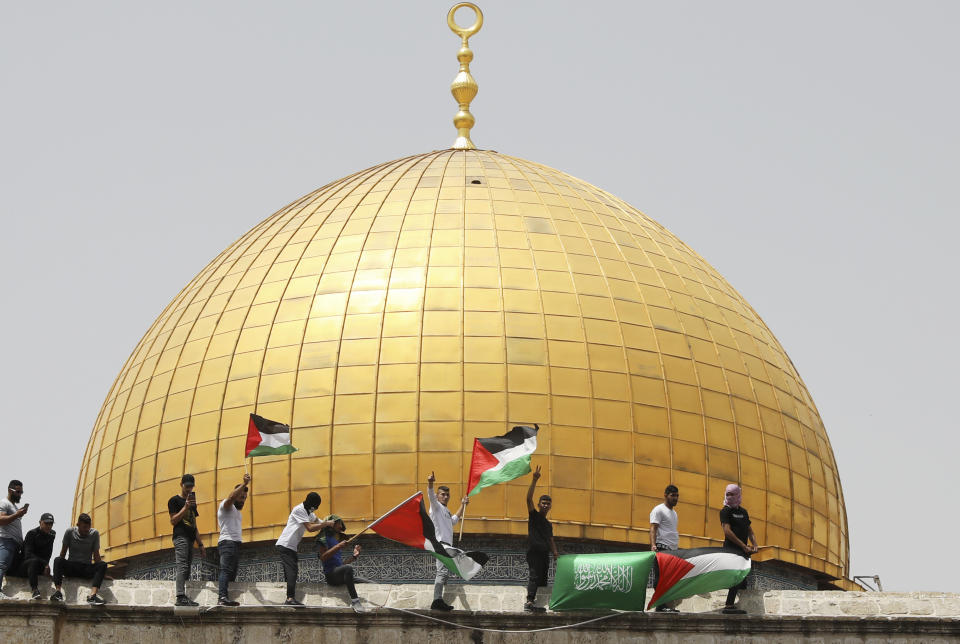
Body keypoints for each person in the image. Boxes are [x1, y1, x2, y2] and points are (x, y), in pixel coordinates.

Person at [275, 492, 332, 606]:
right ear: (312, 505)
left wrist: (329, 524)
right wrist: (326, 524)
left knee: (291, 570)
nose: (314, 509)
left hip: (291, 546)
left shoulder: (309, 513)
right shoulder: (299, 510)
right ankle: (290, 599)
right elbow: (310, 528)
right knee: (292, 570)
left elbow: (318, 521)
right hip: (285, 544)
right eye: (315, 507)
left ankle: (289, 595)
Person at [427, 470, 467, 611]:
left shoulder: (445, 511)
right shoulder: (436, 508)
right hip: (440, 544)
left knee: (444, 571)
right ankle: (437, 600)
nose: (445, 496)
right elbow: (430, 496)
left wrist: (463, 504)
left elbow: (454, 521)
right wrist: (431, 482)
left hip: (447, 545)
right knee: (442, 572)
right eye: (442, 494)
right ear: (438, 496)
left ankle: (438, 599)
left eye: (447, 495)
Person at [51, 513, 108, 605]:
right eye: (84, 527)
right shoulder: (70, 532)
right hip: (72, 567)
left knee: (103, 564)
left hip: (86, 568)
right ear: (78, 525)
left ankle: (92, 596)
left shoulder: (94, 534)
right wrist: (58, 572)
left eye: (88, 527)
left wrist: (102, 573)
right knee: (58, 560)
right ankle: (58, 592)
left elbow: (96, 556)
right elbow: (63, 553)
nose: (87, 530)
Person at [719, 483, 758, 615]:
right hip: (731, 550)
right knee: (735, 575)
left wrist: (755, 544)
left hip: (744, 551)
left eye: (732, 494)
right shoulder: (725, 511)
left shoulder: (743, 512)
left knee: (743, 578)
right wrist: (742, 545)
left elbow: (749, 530)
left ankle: (741, 604)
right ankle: (729, 605)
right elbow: (727, 531)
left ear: (738, 495)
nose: (729, 497)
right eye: (727, 494)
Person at [524, 465, 557, 613]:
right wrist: (534, 479)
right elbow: (528, 498)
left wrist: (555, 554)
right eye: (543, 503)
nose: (545, 505)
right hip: (534, 552)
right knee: (534, 575)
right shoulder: (534, 516)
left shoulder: (548, 525)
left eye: (548, 504)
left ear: (550, 507)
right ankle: (529, 602)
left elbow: (551, 540)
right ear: (539, 505)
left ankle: (540, 604)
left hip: (545, 554)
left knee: (543, 579)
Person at [168, 473, 205, 606]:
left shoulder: (192, 504)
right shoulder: (174, 500)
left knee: (187, 568)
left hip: (190, 539)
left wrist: (200, 543)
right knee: (182, 565)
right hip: (180, 537)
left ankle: (185, 595)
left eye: (191, 486)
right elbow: (173, 520)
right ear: (181, 485)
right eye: (187, 486)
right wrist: (185, 507)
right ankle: (180, 596)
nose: (189, 489)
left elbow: (194, 524)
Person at [317, 515, 367, 613]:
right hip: (331, 576)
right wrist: (338, 546)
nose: (340, 527)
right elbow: (323, 557)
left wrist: (354, 557)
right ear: (332, 524)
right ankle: (355, 601)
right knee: (348, 568)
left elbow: (341, 565)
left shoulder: (335, 541)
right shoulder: (322, 539)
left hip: (338, 573)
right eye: (339, 524)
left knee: (367, 582)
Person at [216, 473, 251, 606]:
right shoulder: (226, 506)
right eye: (241, 497)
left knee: (231, 573)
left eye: (245, 498)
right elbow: (231, 497)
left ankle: (226, 596)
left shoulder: (237, 512)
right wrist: (244, 484)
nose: (243, 500)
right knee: (225, 570)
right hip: (227, 543)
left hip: (235, 544)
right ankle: (222, 597)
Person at [9, 513, 56, 601]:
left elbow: (48, 553)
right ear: (40, 522)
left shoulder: (52, 535)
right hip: (25, 566)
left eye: (51, 524)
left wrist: (46, 566)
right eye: (46, 523)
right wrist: (45, 563)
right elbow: (28, 554)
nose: (48, 526)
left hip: (39, 566)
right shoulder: (32, 534)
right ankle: (34, 590)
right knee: (33, 561)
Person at [649, 484, 680, 613]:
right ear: (665, 495)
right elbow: (653, 528)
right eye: (673, 495)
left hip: (672, 550)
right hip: (662, 548)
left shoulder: (674, 513)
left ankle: (665, 605)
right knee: (661, 577)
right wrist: (653, 545)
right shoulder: (658, 510)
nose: (675, 498)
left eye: (677, 496)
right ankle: (660, 605)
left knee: (668, 578)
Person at [0, 480, 28, 599]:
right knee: (2, 565)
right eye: (18, 492)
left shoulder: (14, 506)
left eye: (21, 492)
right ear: (9, 490)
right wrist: (17, 515)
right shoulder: (4, 503)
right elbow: (1, 520)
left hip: (15, 544)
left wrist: (18, 513)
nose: (20, 494)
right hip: (6, 540)